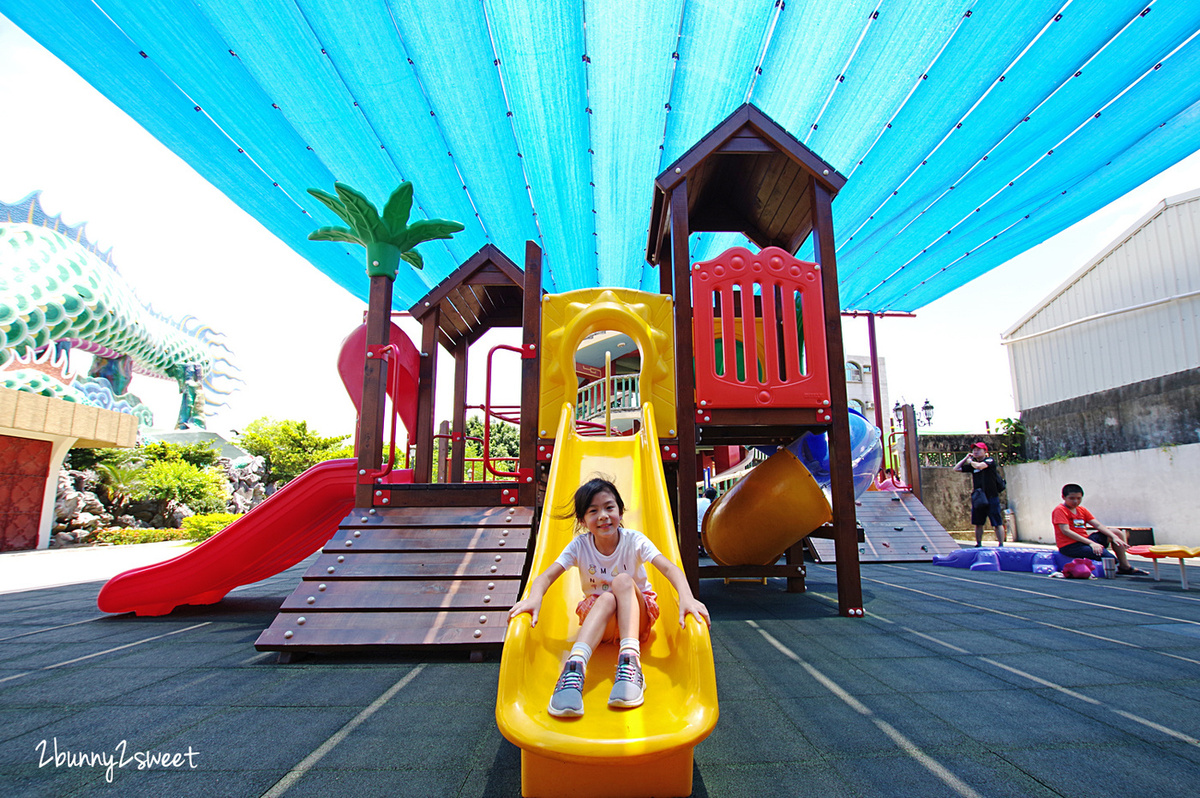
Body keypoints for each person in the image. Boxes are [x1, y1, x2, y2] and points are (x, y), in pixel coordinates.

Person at [508, 477, 711, 718]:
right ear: (583, 521)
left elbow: (670, 569)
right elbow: (544, 577)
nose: (603, 515)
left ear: (621, 510)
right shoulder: (579, 546)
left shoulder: (634, 541)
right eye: (593, 511)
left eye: (609, 507)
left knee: (623, 581)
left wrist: (687, 598)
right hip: (602, 622)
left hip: (638, 619)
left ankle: (630, 660)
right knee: (605, 598)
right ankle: (574, 668)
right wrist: (534, 597)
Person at [1053, 483, 1148, 575]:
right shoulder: (1060, 510)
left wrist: (1114, 537)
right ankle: (1105, 562)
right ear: (1063, 497)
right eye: (1072, 498)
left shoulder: (1081, 510)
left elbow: (1098, 525)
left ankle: (1125, 567)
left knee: (1115, 532)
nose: (1075, 501)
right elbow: (1066, 531)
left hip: (1084, 541)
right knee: (1111, 559)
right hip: (1071, 546)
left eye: (1079, 498)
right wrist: (1091, 543)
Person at [954, 442, 1006, 547]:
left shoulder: (989, 461)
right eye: (974, 450)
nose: (976, 452)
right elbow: (956, 468)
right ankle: (978, 543)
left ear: (985, 451)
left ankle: (1001, 544)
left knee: (997, 522)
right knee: (978, 523)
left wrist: (971, 462)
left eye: (978, 450)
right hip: (979, 498)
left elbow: (980, 466)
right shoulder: (972, 465)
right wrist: (966, 458)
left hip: (991, 496)